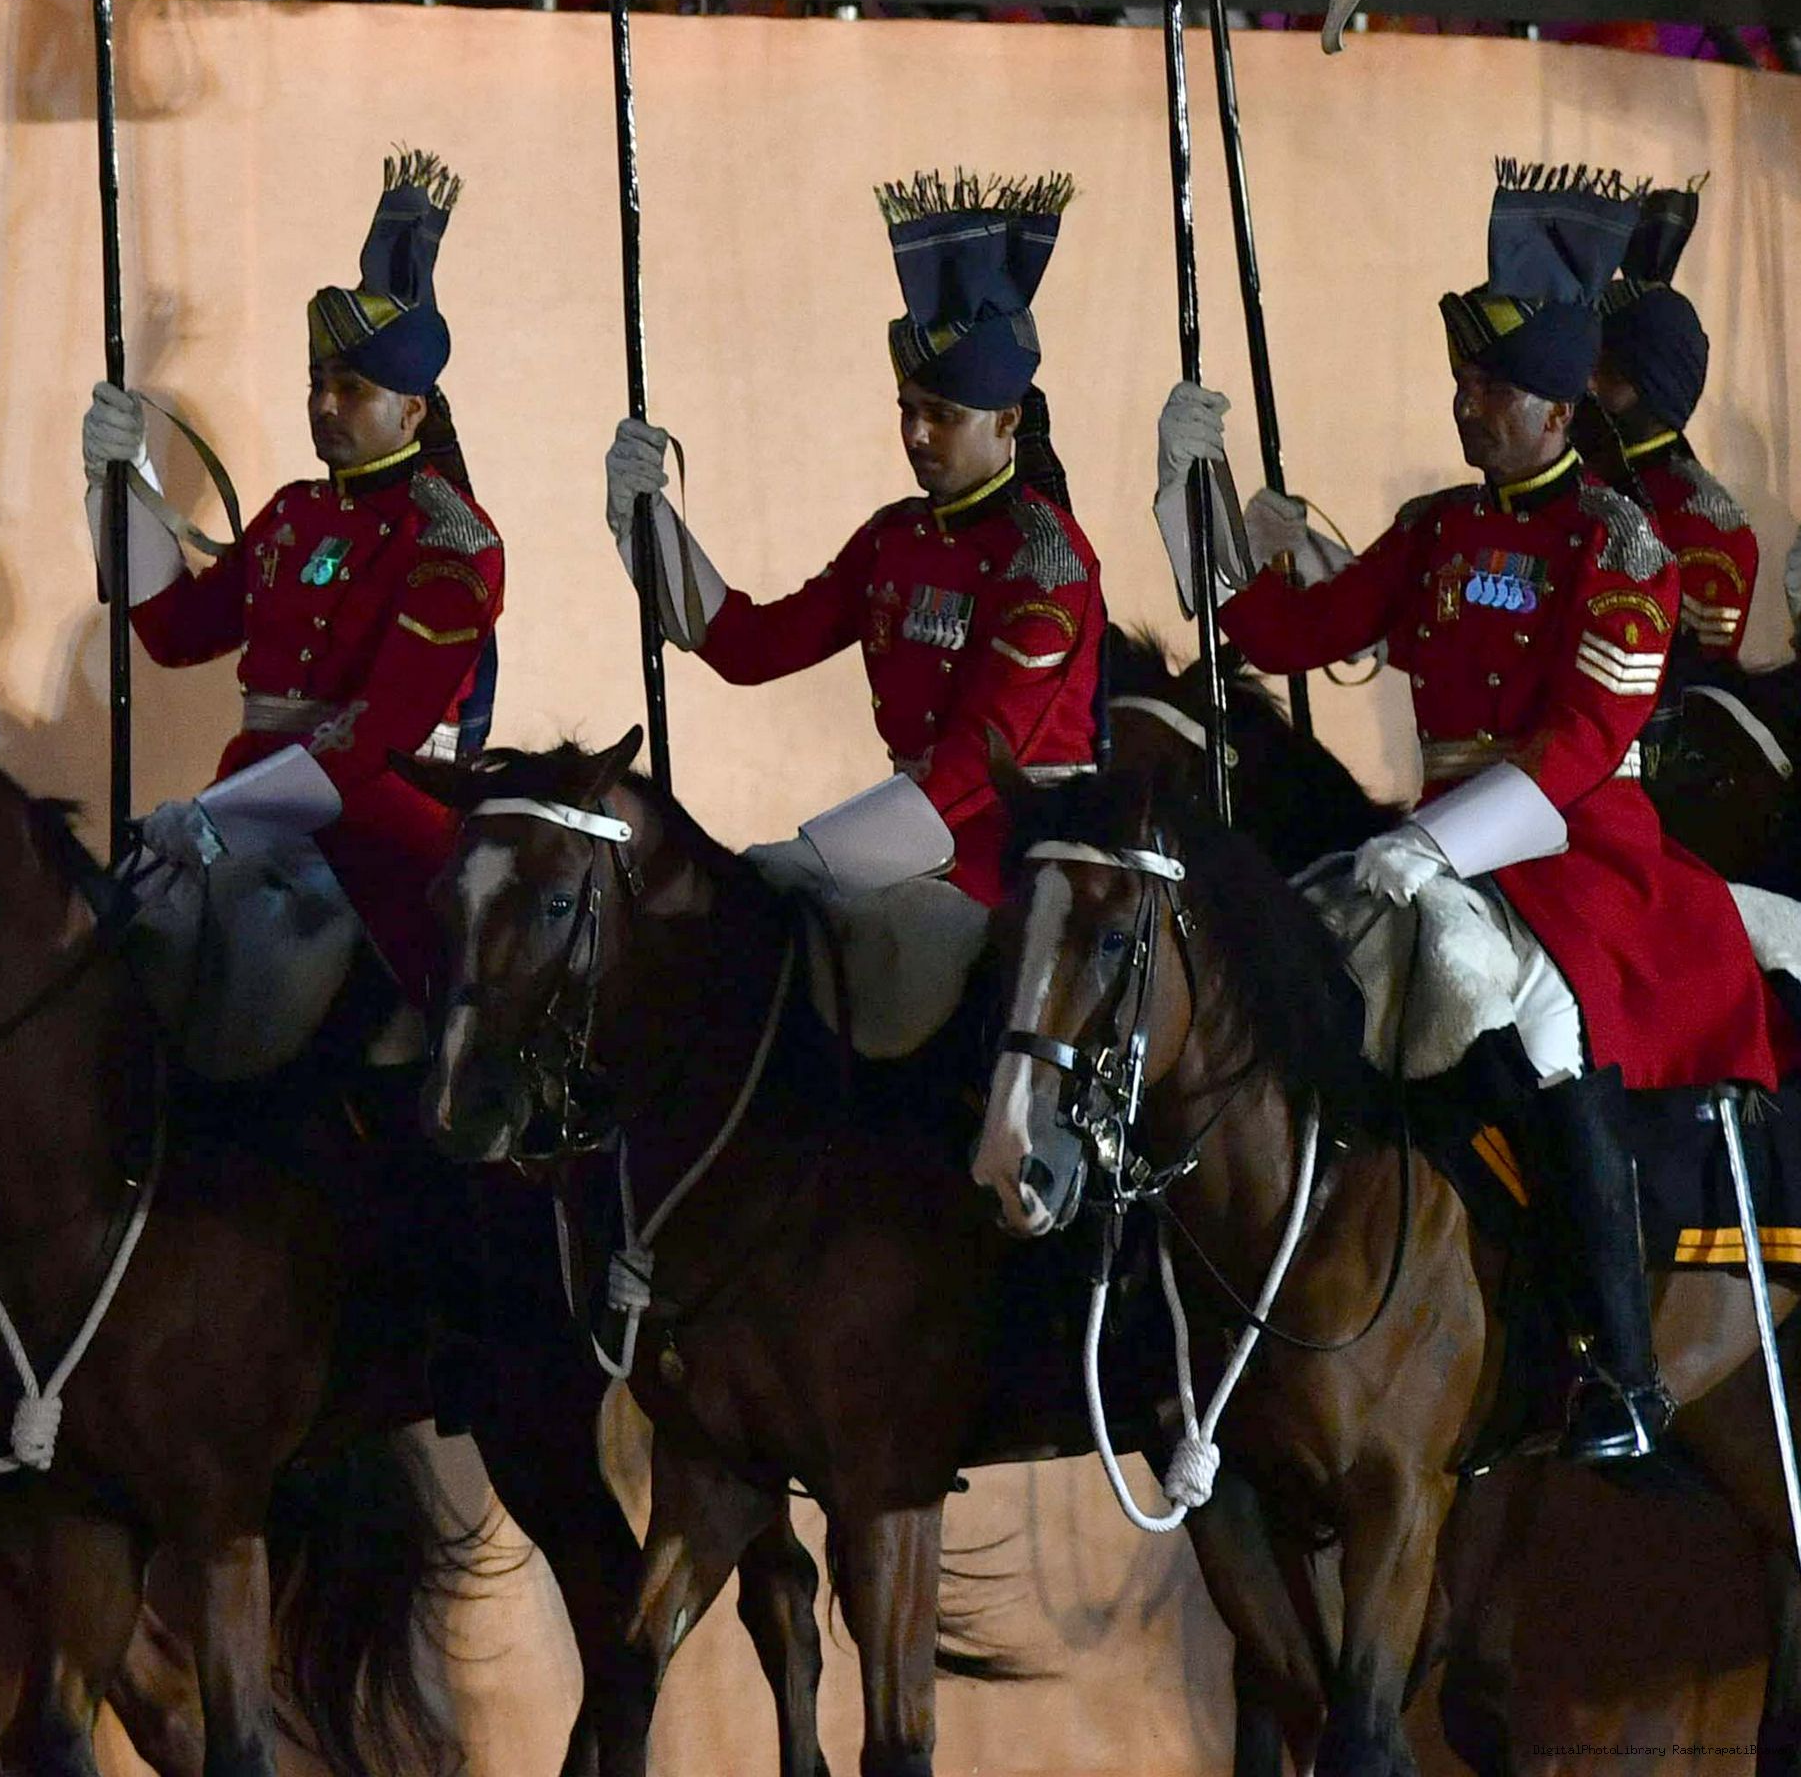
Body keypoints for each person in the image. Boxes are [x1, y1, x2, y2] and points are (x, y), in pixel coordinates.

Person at [1162, 160, 1771, 1466]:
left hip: (1573, 853)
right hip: (1431, 847)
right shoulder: (1433, 529)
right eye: (1464, 379)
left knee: (1542, 1019)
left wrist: (1433, 842)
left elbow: (1582, 745)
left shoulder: (1623, 544)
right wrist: (1194, 500)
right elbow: (1283, 632)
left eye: (1490, 387)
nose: (1464, 401)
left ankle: (1620, 1367)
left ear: (1556, 404)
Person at [604, 173, 1101, 906]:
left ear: (1006, 420)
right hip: (915, 844)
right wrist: (646, 521)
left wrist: (819, 859)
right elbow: (751, 647)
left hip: (1030, 867)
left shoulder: (1046, 560)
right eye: (907, 410)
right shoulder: (892, 539)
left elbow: (974, 764)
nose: (915, 435)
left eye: (942, 415)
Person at [80, 152, 500, 996]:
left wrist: (223, 815)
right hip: (243, 798)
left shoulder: (452, 539)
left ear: (412, 409)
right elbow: (173, 632)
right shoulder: (292, 513)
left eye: (351, 389)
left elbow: (381, 732)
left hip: (378, 816)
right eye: (317, 383)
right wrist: (119, 481)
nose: (324, 405)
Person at [1594, 179, 1759, 695]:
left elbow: (1686, 684)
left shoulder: (1707, 523)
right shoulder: (1584, 478)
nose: (1585, 387)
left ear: (1652, 386)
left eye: (1605, 372)